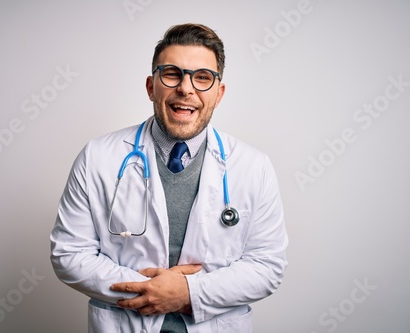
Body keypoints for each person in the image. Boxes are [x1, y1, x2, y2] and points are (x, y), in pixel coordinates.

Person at [50, 23, 288, 333]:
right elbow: (69, 254)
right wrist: (154, 292)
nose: (186, 89)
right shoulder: (98, 157)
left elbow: (267, 266)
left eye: (203, 77)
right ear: (151, 87)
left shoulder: (254, 166)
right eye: (172, 74)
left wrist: (188, 294)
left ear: (219, 93)